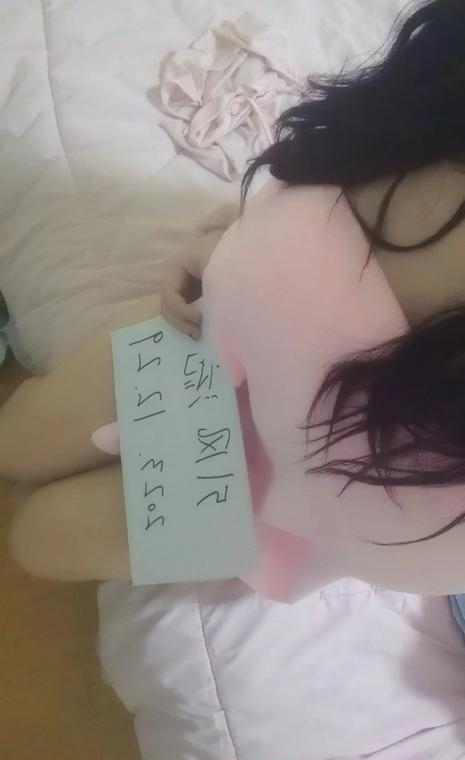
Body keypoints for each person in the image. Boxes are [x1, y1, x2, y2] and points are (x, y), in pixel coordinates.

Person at [4, 0, 465, 604]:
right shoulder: (439, 87)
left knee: (39, 539)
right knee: (15, 442)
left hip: (276, 500)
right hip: (208, 341)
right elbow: (332, 157)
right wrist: (227, 240)